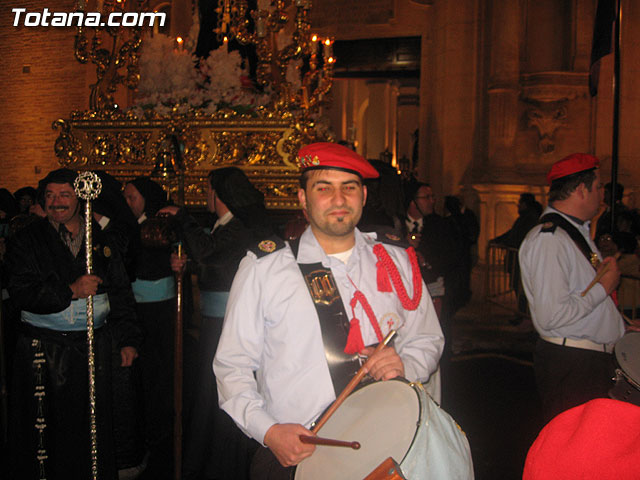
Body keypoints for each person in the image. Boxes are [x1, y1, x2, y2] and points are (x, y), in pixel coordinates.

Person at [213, 142, 444, 478]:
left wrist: (406, 364)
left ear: (363, 196)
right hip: (299, 454)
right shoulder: (265, 269)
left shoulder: (396, 261)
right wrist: (268, 431)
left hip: (387, 448)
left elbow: (427, 338)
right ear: (303, 199)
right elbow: (231, 366)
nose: (339, 200)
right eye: (324, 188)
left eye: (348, 188)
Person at [5, 168, 142, 480]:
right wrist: (70, 291)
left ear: (79, 198)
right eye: (50, 196)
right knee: (50, 435)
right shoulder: (27, 240)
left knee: (91, 432)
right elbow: (20, 290)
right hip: (45, 351)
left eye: (64, 195)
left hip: (94, 349)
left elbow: (120, 292)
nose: (56, 202)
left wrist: (128, 339)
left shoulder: (101, 240)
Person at [160, 167, 272, 480]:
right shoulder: (224, 227)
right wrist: (186, 264)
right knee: (209, 394)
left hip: (228, 324)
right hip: (214, 321)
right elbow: (214, 263)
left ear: (218, 193)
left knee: (223, 391)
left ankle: (227, 465)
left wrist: (184, 219)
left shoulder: (239, 227)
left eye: (208, 189)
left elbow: (211, 255)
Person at [518, 153, 625, 422]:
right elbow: (552, 315)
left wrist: (621, 324)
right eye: (598, 187)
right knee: (573, 454)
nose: (602, 194)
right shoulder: (549, 240)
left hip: (585, 361)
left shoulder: (572, 233)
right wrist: (605, 286)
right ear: (581, 190)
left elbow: (581, 298)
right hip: (573, 364)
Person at [123, 176, 177, 474]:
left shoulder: (159, 225)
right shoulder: (128, 224)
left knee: (158, 376)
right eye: (126, 197)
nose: (128, 203)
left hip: (158, 312)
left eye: (132, 197)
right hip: (137, 311)